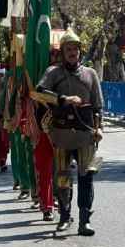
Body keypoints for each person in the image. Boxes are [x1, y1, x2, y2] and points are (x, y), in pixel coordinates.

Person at [37, 28, 103, 236]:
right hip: (61, 133)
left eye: (75, 48)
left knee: (86, 177)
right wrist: (63, 99)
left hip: (86, 134)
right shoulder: (53, 72)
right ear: (63, 51)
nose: (72, 52)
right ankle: (65, 216)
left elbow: (98, 106)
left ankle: (85, 220)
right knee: (63, 177)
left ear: (80, 51)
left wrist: (99, 128)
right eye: (68, 48)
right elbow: (39, 93)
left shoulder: (90, 74)